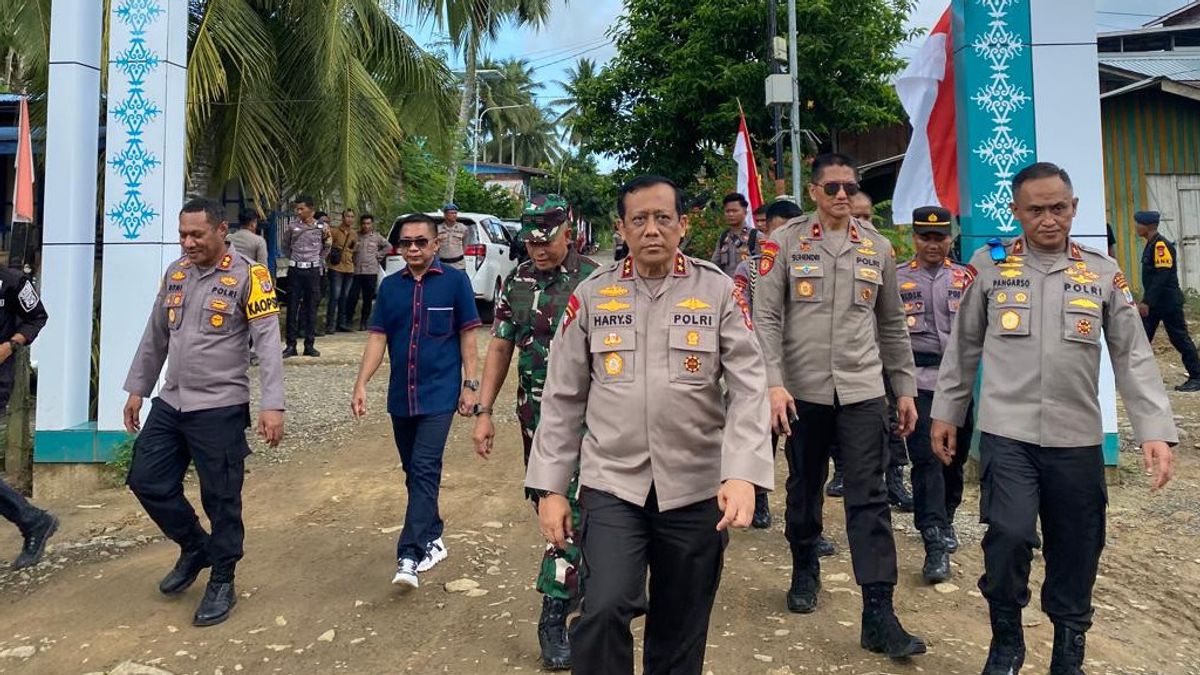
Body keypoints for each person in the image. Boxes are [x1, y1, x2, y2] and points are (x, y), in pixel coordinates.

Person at [932, 162, 1177, 674]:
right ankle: (1006, 640)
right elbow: (964, 346)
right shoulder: (991, 265)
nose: (1049, 219)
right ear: (1017, 212)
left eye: (1059, 208)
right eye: (1037, 209)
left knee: (1077, 546)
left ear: (1074, 208)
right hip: (1008, 432)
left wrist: (1154, 431)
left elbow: (1132, 356)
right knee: (1010, 533)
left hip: (1076, 437)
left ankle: (1069, 649)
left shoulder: (1102, 273)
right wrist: (948, 413)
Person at [527, 175, 773, 675]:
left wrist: (743, 472)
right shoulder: (593, 295)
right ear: (622, 227)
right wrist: (549, 488)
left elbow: (750, 387)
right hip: (614, 482)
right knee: (602, 607)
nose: (652, 229)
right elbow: (562, 397)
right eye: (639, 219)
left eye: (663, 218)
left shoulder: (718, 291)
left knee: (680, 625)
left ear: (683, 224)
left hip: (695, 485)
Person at [754, 153, 924, 658]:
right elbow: (765, 319)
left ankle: (879, 612)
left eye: (850, 187)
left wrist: (905, 388)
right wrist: (772, 384)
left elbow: (892, 324)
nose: (843, 196)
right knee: (804, 487)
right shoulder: (783, 244)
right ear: (814, 193)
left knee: (869, 500)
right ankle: (805, 566)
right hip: (802, 393)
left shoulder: (877, 249)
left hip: (862, 391)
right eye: (832, 188)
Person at [122, 198, 285, 627]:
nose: (187, 242)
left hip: (220, 407)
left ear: (220, 231)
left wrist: (273, 404)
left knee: (221, 497)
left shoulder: (250, 276)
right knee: (146, 480)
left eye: (196, 234)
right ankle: (196, 546)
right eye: (182, 234)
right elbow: (155, 336)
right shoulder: (176, 273)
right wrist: (138, 389)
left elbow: (268, 344)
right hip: (172, 401)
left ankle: (223, 579)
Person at [471, 198, 598, 671]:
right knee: (556, 507)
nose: (538, 249)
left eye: (546, 240)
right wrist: (483, 412)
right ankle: (575, 586)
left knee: (576, 509)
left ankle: (555, 611)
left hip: (592, 418)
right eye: (531, 241)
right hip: (536, 419)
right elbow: (501, 345)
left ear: (568, 231)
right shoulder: (519, 281)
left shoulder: (593, 280)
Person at [351, 213, 480, 590]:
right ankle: (433, 533)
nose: (412, 248)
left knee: (424, 467)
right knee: (413, 471)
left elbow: (468, 339)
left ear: (436, 244)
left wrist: (470, 386)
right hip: (401, 397)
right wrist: (361, 383)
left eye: (420, 242)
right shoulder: (391, 288)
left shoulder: (456, 283)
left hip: (439, 396)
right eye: (405, 243)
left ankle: (410, 553)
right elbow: (377, 338)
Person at [895, 206, 975, 584]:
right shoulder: (896, 280)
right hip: (918, 383)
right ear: (914, 238)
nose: (932, 244)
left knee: (954, 461)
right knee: (927, 460)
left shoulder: (966, 279)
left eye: (939, 237)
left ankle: (948, 517)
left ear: (949, 238)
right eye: (925, 237)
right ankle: (934, 542)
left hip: (958, 383)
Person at [849, 190, 913, 512]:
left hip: (885, 357)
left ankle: (896, 480)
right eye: (856, 217)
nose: (863, 223)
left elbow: (893, 318)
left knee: (893, 423)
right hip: (857, 363)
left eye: (867, 216)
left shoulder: (881, 254)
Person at [0, 268, 56, 570]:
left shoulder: (12, 282)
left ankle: (34, 521)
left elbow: (37, 317)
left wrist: (11, 345)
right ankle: (34, 521)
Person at [1134, 210, 1200, 391]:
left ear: (1146, 226)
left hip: (1168, 302)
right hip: (1157, 303)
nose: (1135, 226)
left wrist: (1147, 301)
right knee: (1142, 338)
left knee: (1179, 338)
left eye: (1137, 223)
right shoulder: (1151, 244)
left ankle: (1196, 377)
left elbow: (1162, 276)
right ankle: (1138, 378)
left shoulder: (1160, 246)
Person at [281, 196, 330, 357]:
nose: (298, 211)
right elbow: (285, 246)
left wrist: (317, 259)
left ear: (311, 209)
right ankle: (291, 345)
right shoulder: (292, 226)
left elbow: (327, 245)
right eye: (297, 209)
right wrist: (294, 258)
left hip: (313, 271)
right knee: (292, 307)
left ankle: (309, 344)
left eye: (301, 208)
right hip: (295, 270)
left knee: (311, 307)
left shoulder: (322, 227)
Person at [345, 213, 388, 330]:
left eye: (368, 223)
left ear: (372, 224)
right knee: (352, 296)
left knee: (367, 298)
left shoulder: (377, 237)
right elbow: (348, 248)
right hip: (356, 270)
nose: (366, 226)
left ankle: (364, 321)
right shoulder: (355, 235)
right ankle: (348, 320)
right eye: (364, 223)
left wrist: (379, 256)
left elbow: (388, 247)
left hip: (371, 271)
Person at [324, 209, 358, 334]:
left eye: (352, 216)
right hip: (336, 267)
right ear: (343, 218)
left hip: (349, 268)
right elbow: (327, 246)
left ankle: (341, 323)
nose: (350, 219)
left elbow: (353, 250)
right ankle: (330, 325)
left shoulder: (354, 234)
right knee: (335, 296)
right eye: (347, 216)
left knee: (345, 296)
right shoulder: (334, 232)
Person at [710, 192, 759, 276]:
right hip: (727, 286)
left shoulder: (755, 236)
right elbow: (714, 265)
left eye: (735, 211)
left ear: (745, 212)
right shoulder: (723, 237)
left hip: (748, 287)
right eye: (727, 211)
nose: (730, 214)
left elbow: (764, 267)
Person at [437, 203, 471, 271]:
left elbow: (465, 243)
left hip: (459, 265)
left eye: (455, 213)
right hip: (443, 264)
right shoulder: (438, 229)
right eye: (451, 213)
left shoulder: (463, 228)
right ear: (445, 215)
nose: (454, 215)